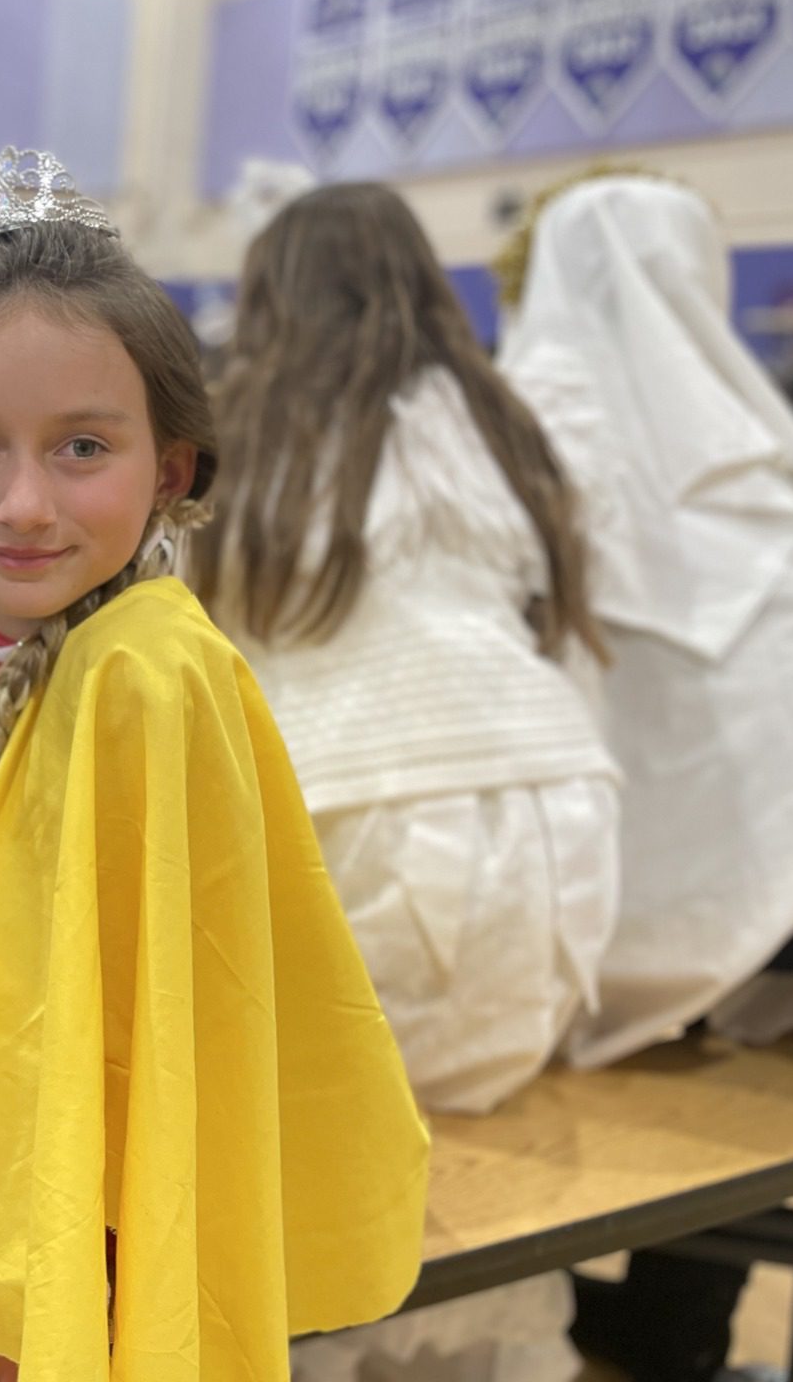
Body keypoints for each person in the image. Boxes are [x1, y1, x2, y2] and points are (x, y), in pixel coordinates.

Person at [0, 149, 427, 1382]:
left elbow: (142, 1045)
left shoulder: (146, 675)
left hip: (80, 1241)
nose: (23, 505)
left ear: (172, 469)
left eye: (83, 447)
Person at [188, 181, 620, 1381]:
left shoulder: (245, 423)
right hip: (558, 811)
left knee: (332, 1151)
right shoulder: (500, 418)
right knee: (461, 1149)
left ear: (268, 294)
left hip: (361, 807)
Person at [498, 172, 793, 1382]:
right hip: (783, 899)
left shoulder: (511, 433)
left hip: (578, 884)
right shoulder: (763, 453)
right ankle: (673, 1330)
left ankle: (565, 1320)